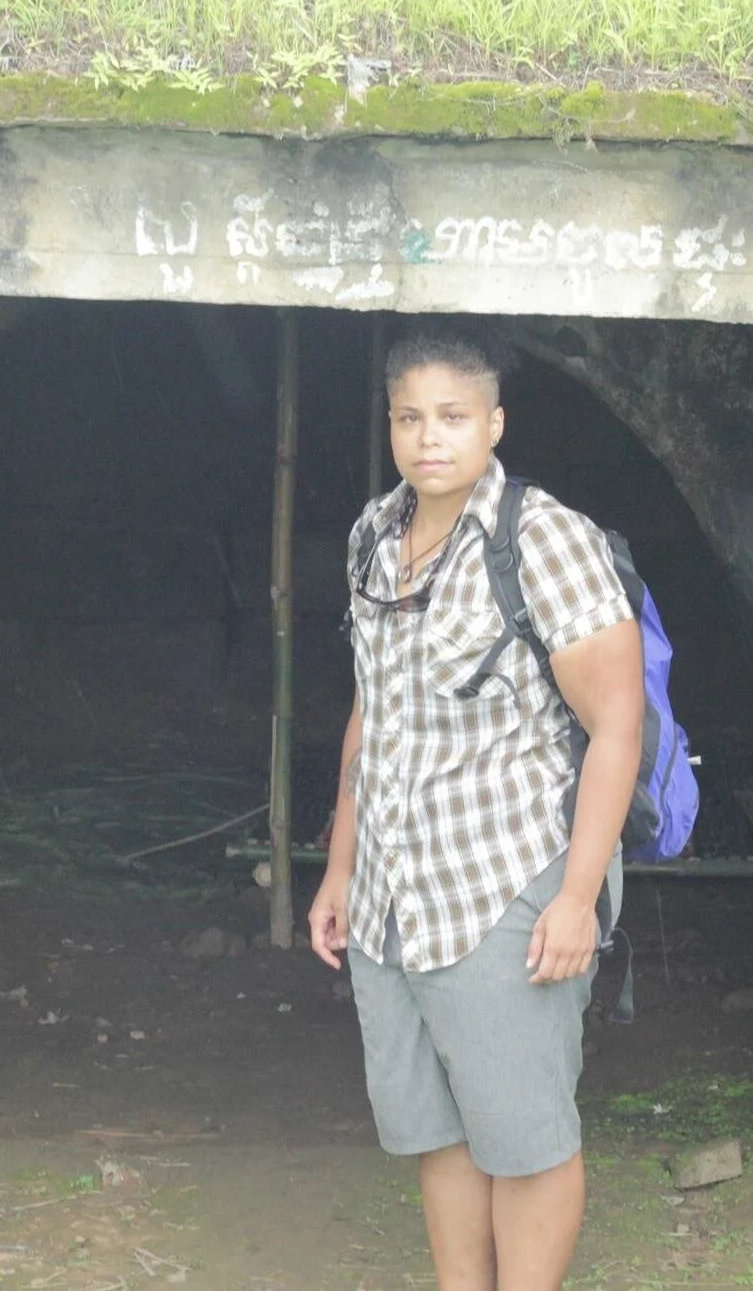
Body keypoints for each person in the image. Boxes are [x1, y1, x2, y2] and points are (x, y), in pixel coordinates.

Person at [307, 332, 644, 1291]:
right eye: (409, 417)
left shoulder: (543, 539)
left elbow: (616, 724)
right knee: (437, 1127)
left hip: (505, 881)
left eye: (452, 417)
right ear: (390, 426)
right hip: (391, 893)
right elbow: (372, 711)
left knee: (525, 1136)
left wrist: (575, 898)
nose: (429, 438)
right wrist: (340, 868)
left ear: (493, 424)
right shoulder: (373, 534)